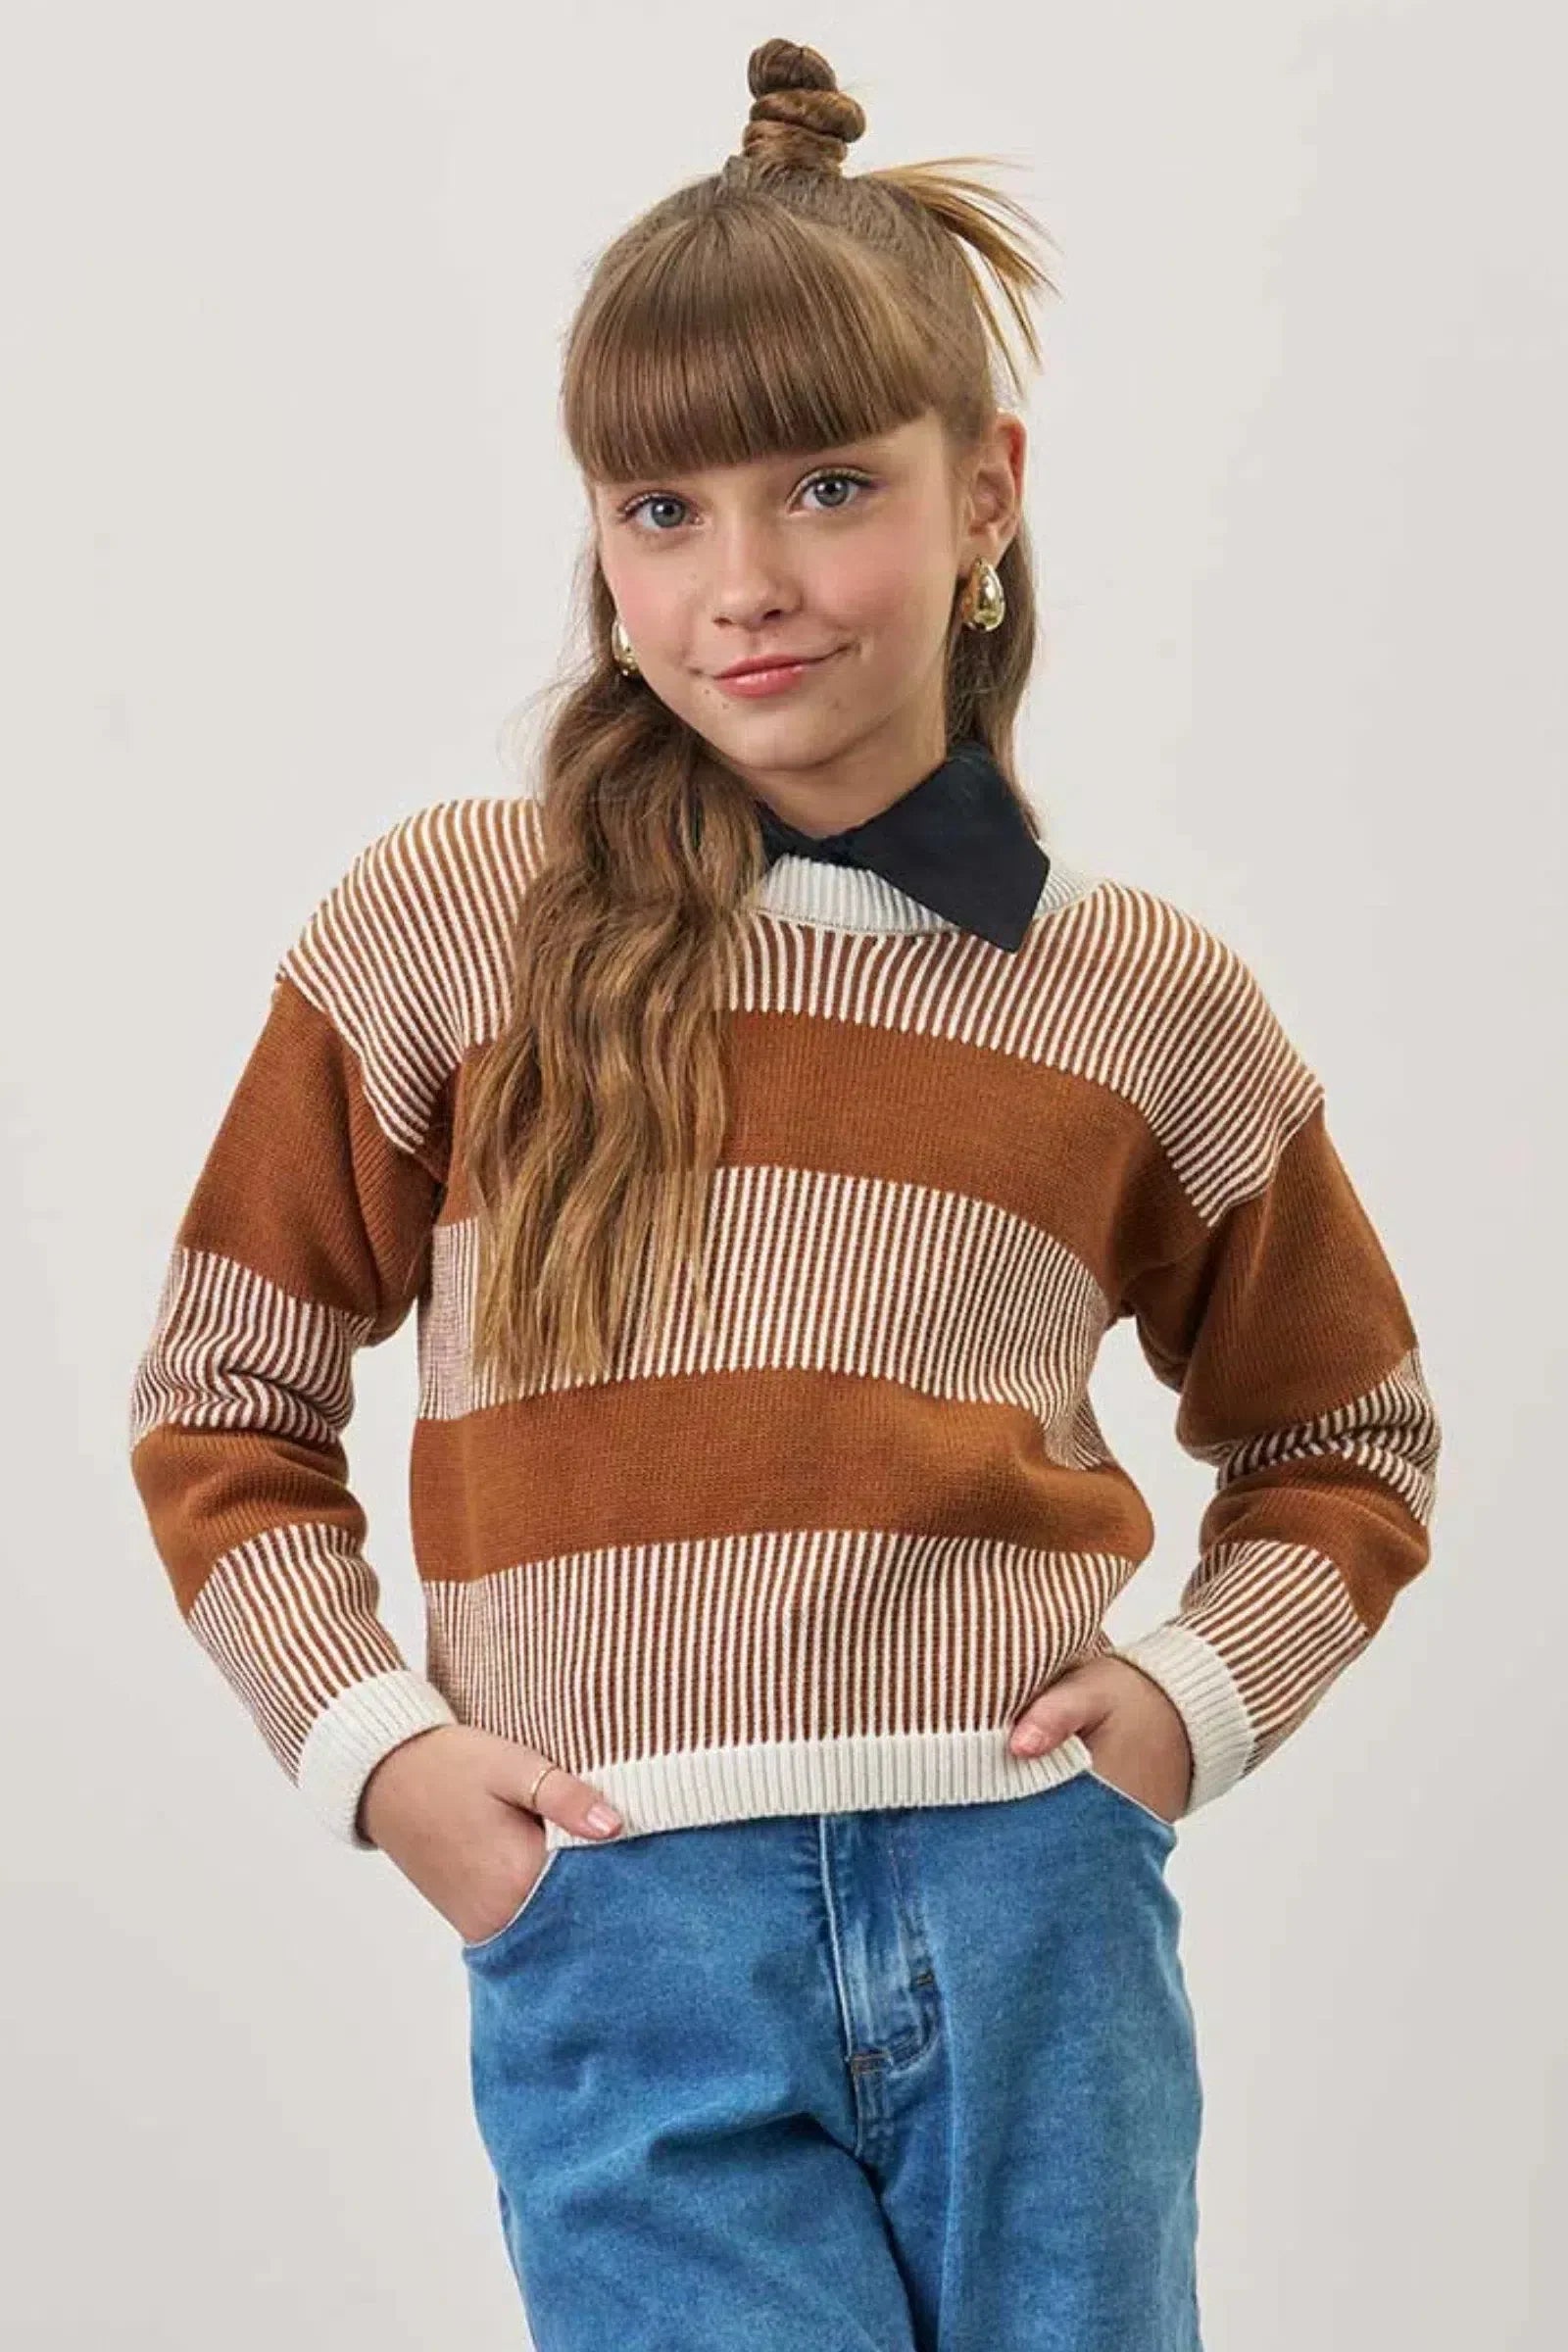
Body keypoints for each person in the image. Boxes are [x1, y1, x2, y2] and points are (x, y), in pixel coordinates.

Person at [126, 35, 1443, 2352]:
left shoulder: (1139, 997)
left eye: (828, 487)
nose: (740, 584)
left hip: (1031, 1913)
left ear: (985, 490)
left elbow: (1347, 1435)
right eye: (660, 510)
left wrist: (1176, 1716)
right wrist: (382, 1756)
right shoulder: (450, 925)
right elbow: (222, 1396)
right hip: (619, 1916)